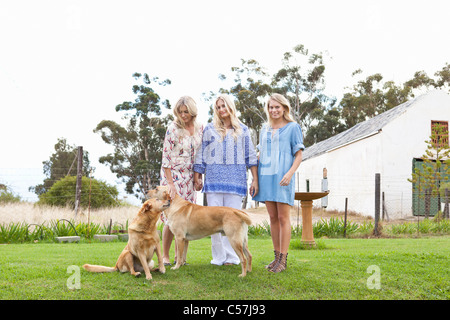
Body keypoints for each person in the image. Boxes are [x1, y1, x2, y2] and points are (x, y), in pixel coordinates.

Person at [193, 94, 258, 266]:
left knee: (233, 224)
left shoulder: (243, 130)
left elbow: (251, 156)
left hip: (236, 184)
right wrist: (197, 176)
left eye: (224, 106)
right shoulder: (209, 129)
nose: (222, 110)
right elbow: (201, 153)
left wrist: (254, 180)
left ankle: (232, 257)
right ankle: (218, 258)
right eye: (218, 107)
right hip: (213, 182)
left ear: (231, 107)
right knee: (213, 223)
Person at [252, 93, 304, 273]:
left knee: (283, 218)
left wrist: (290, 174)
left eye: (277, 107)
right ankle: (275, 259)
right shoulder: (264, 129)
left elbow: (299, 154)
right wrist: (254, 178)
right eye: (271, 107)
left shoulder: (293, 127)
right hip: (266, 176)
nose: (274, 110)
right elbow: (260, 155)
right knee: (273, 218)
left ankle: (283, 259)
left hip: (283, 178)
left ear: (284, 108)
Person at [160, 96, 203, 266]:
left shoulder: (200, 128)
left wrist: (198, 177)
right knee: (171, 218)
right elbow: (166, 157)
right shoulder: (173, 128)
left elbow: (199, 155)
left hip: (189, 177)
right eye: (180, 112)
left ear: (192, 111)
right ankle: (165, 256)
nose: (183, 115)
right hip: (173, 176)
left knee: (186, 219)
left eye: (186, 112)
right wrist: (170, 183)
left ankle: (181, 257)